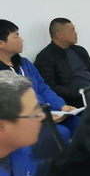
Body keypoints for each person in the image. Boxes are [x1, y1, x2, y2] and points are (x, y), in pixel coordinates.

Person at [0, 20, 80, 148]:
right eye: (16, 36)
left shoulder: (24, 64)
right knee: (61, 133)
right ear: (1, 43)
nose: (21, 40)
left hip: (47, 111)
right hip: (24, 120)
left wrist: (61, 106)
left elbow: (43, 88)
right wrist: (39, 116)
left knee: (80, 123)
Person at [35, 18, 90, 108]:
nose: (76, 33)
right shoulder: (45, 57)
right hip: (77, 99)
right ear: (59, 35)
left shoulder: (79, 50)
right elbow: (50, 87)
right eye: (72, 30)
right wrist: (80, 93)